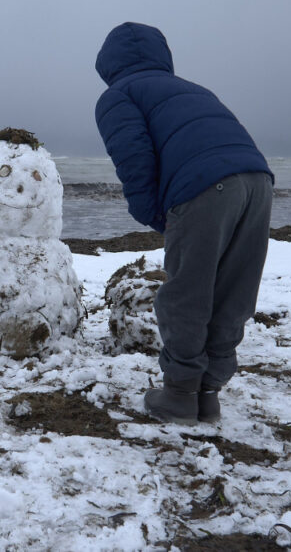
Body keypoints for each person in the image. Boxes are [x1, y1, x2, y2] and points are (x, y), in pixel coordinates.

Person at [93, 22, 274, 425]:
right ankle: (207, 394)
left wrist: (160, 216)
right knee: (233, 290)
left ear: (107, 63)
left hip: (206, 185)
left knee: (187, 292)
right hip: (258, 181)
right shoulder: (194, 89)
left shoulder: (118, 95)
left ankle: (178, 394)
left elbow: (134, 161)